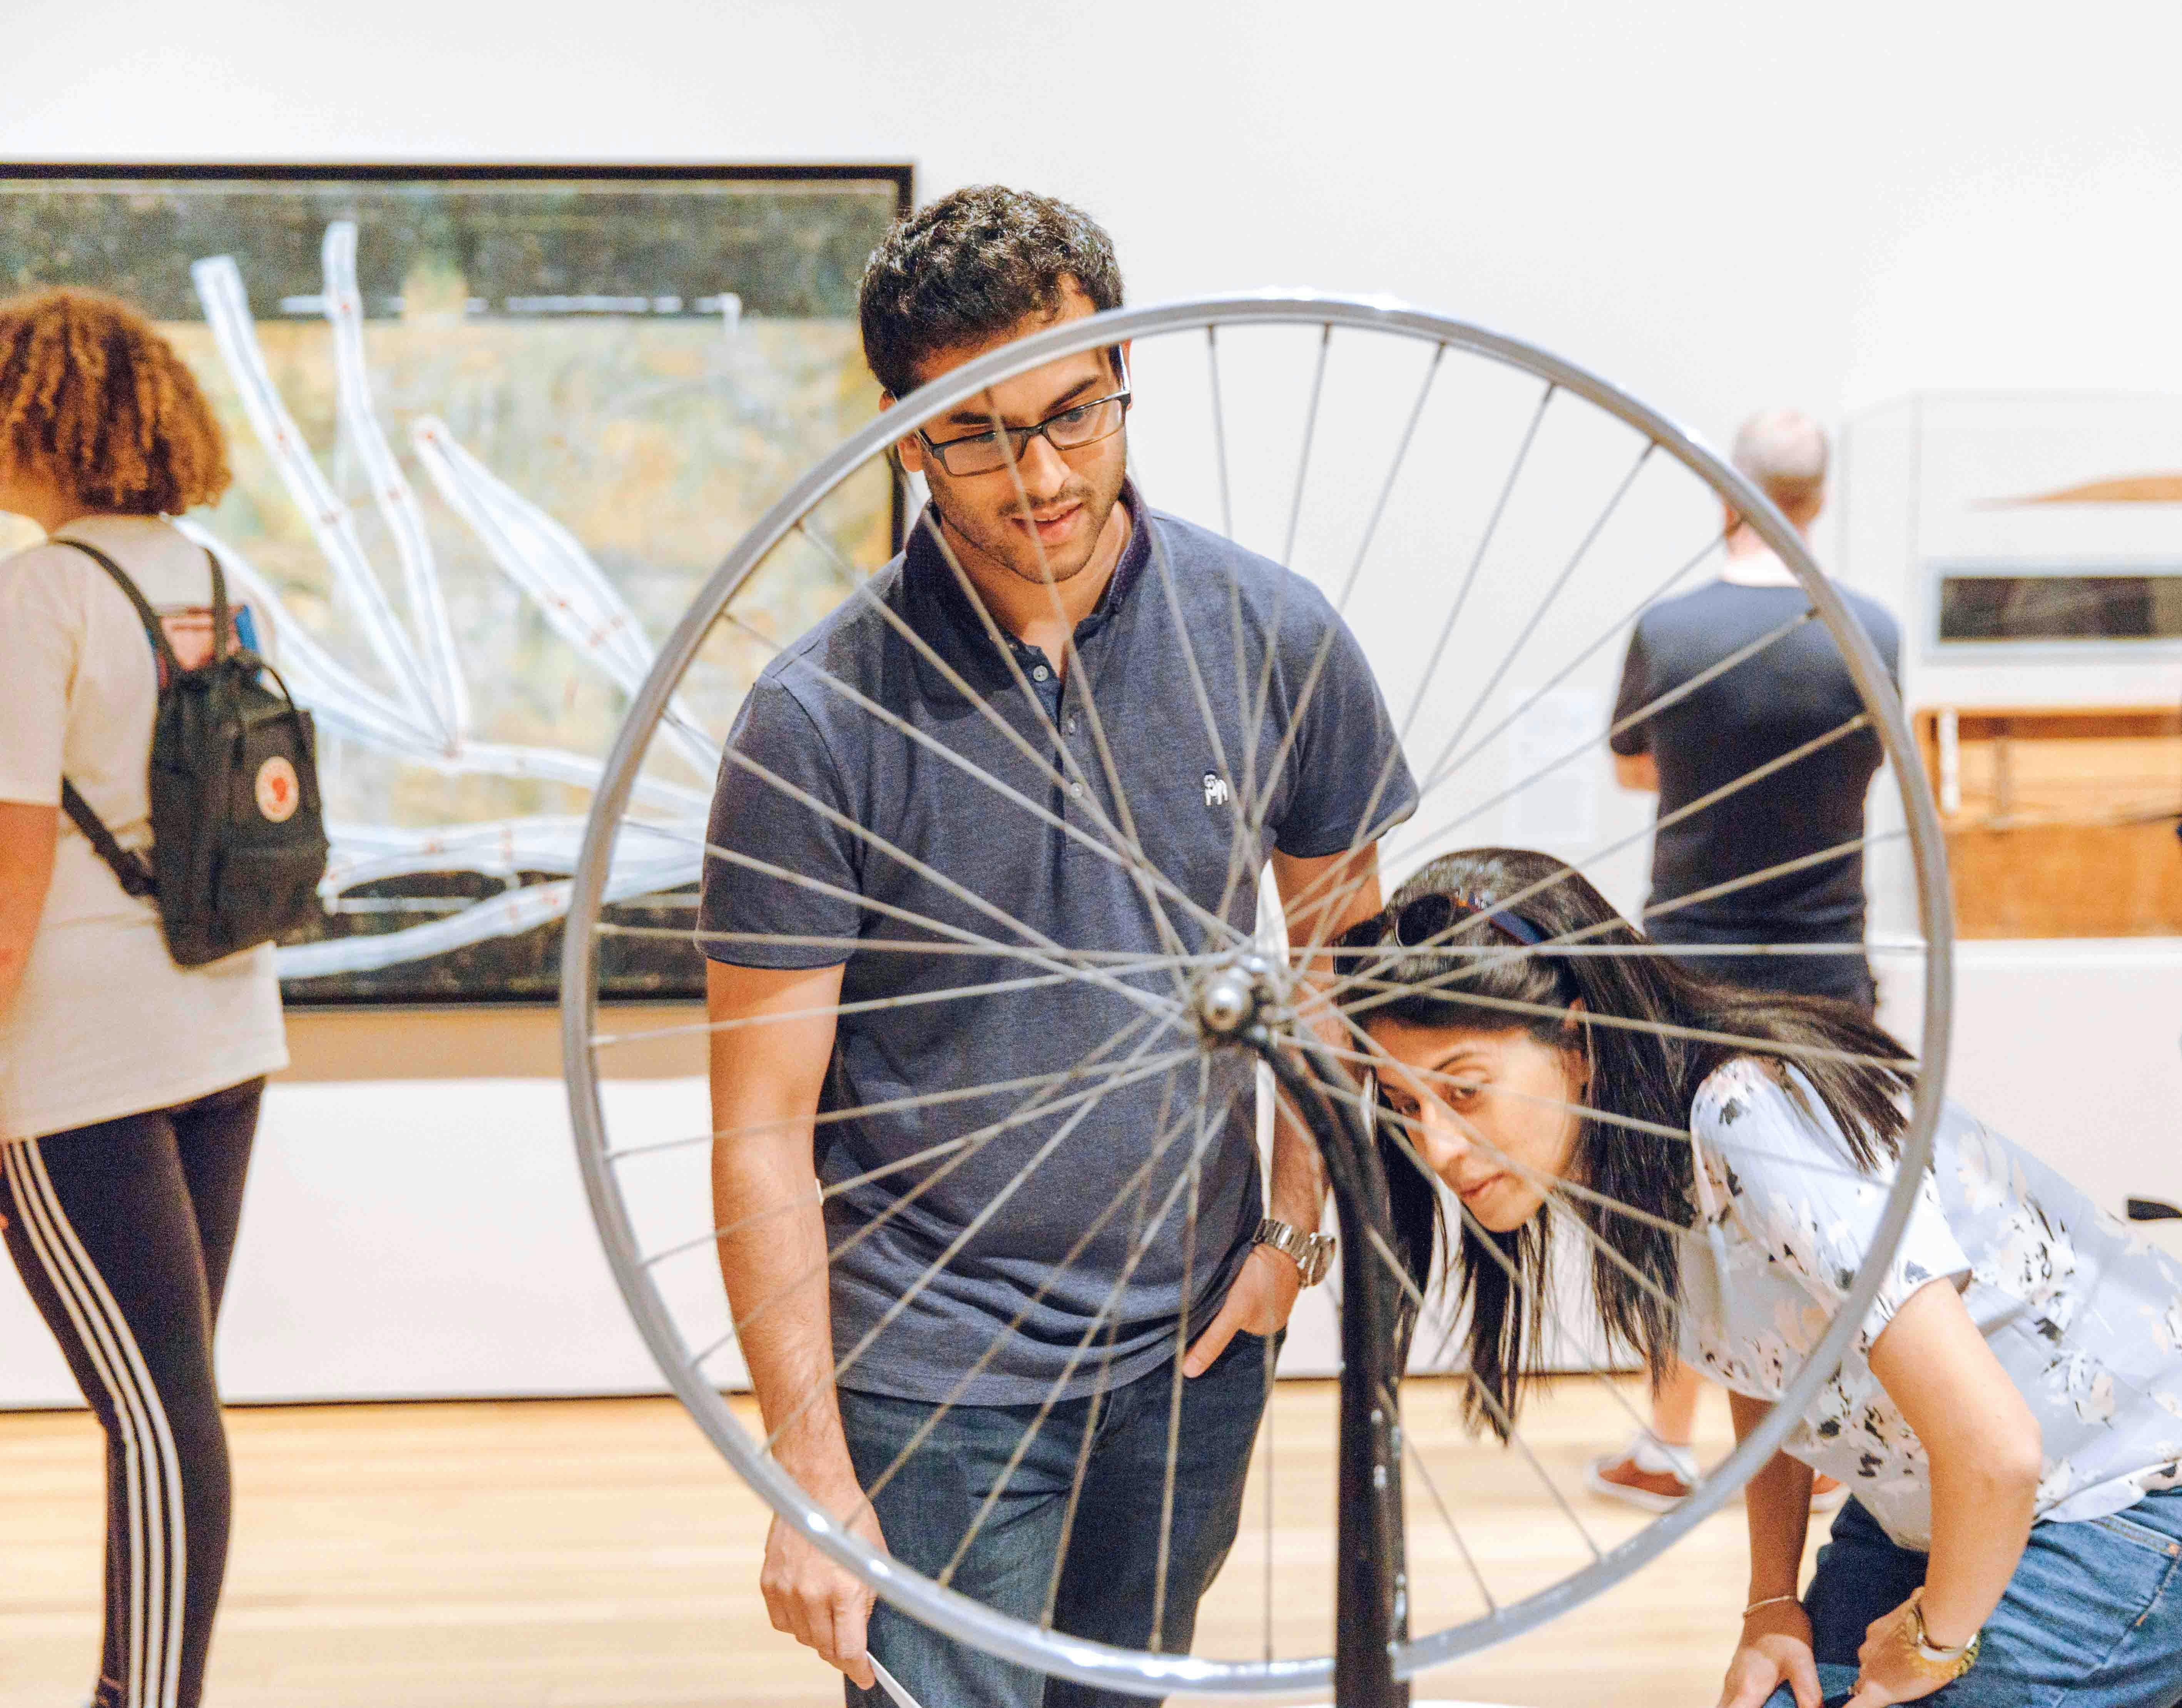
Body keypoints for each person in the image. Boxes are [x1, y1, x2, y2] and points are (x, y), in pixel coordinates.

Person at [697, 186, 1416, 1707]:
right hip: (932, 1370)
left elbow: (1341, 967)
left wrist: (1291, 1230)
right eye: (976, 429)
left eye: (1074, 410)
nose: (1037, 473)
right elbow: (758, 1118)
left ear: (1117, 381)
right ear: (901, 429)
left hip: (1193, 1349)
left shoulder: (1273, 635)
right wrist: (809, 1467)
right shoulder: (817, 718)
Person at [1343, 847, 2182, 1708]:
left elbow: (2000, 1452)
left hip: (2122, 1499)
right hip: (1929, 1501)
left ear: (1580, 1038)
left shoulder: (1748, 1112)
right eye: (1407, 1107)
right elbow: (1765, 1361)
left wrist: (1934, 1644)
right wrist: (1770, 1601)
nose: (1437, 1148)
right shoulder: (1626, 1153)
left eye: (1465, 1091)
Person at [0, 289, 288, 1708]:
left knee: (157, 1414)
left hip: (76, 1060)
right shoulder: (215, 576)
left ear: (36, 413)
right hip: (225, 1028)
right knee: (169, 1400)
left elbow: (11, 868)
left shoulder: (35, 592)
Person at [1592, 409, 1901, 1512]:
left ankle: (1667, 1443)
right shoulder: (1867, 628)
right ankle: (1824, 1449)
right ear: (1816, 495)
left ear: (1729, 490)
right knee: (1825, 1206)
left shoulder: (1669, 630)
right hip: (1826, 961)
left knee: (1683, 1205)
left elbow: (1635, 772)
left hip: (1688, 959)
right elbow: (1873, 768)